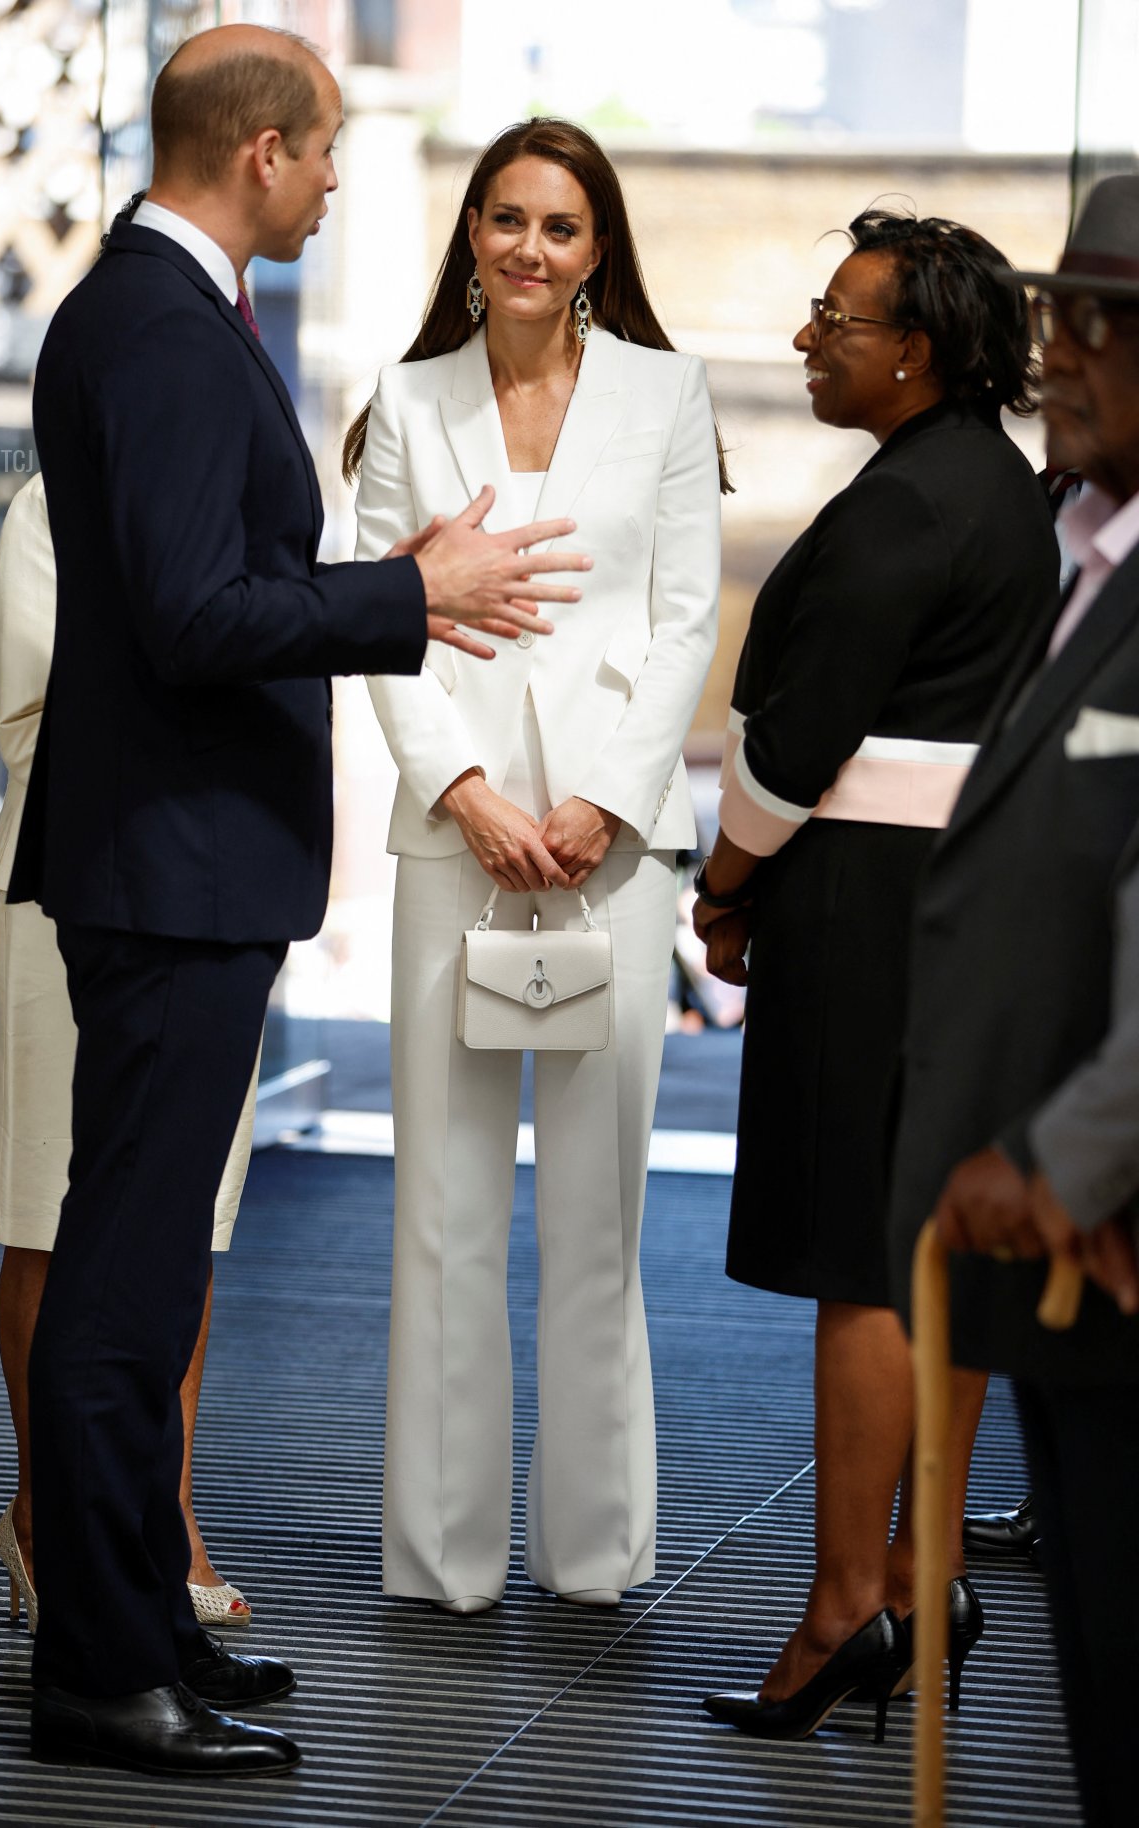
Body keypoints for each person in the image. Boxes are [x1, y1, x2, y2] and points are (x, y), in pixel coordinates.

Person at [13, 25, 589, 1778]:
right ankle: (106, 1664)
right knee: (125, 1285)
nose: (344, 176)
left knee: (147, 1276)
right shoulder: (167, 331)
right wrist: (407, 592)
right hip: (174, 867)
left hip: (177, 862)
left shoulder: (158, 312)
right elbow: (200, 613)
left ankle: (142, 1621)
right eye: (327, 147)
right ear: (257, 151)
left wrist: (386, 591)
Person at [345, 117, 725, 1614]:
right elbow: (381, 620)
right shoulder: (406, 395)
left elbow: (685, 616)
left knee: (596, 1217)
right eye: (505, 219)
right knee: (441, 1214)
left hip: (609, 858)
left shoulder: (670, 392)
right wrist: (470, 789)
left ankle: (594, 1553)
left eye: (559, 227)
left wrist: (608, 804)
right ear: (473, 237)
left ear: (598, 250)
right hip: (458, 843)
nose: (527, 248)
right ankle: (443, 1562)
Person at [693, 208, 1060, 1740]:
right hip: (958, 909)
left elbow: (796, 736)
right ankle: (914, 1587)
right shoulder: (1000, 488)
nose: (808, 341)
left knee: (866, 1264)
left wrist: (723, 886)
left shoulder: (910, 503)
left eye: (837, 322)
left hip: (867, 910)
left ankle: (848, 1610)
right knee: (933, 1265)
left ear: (915, 351)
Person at [888, 173, 1139, 1827]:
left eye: (1110, 324)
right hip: (1066, 1276)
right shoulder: (1083, 558)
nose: (1066, 350)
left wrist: (1063, 1159)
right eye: (1060, 311)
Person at [0, 471, 259, 1633]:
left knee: (186, 1211)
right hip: (77, 870)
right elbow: (38, 703)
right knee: (53, 1197)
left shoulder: (250, 499)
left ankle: (167, 1509)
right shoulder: (56, 503)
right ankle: (44, 1510)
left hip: (217, 871)